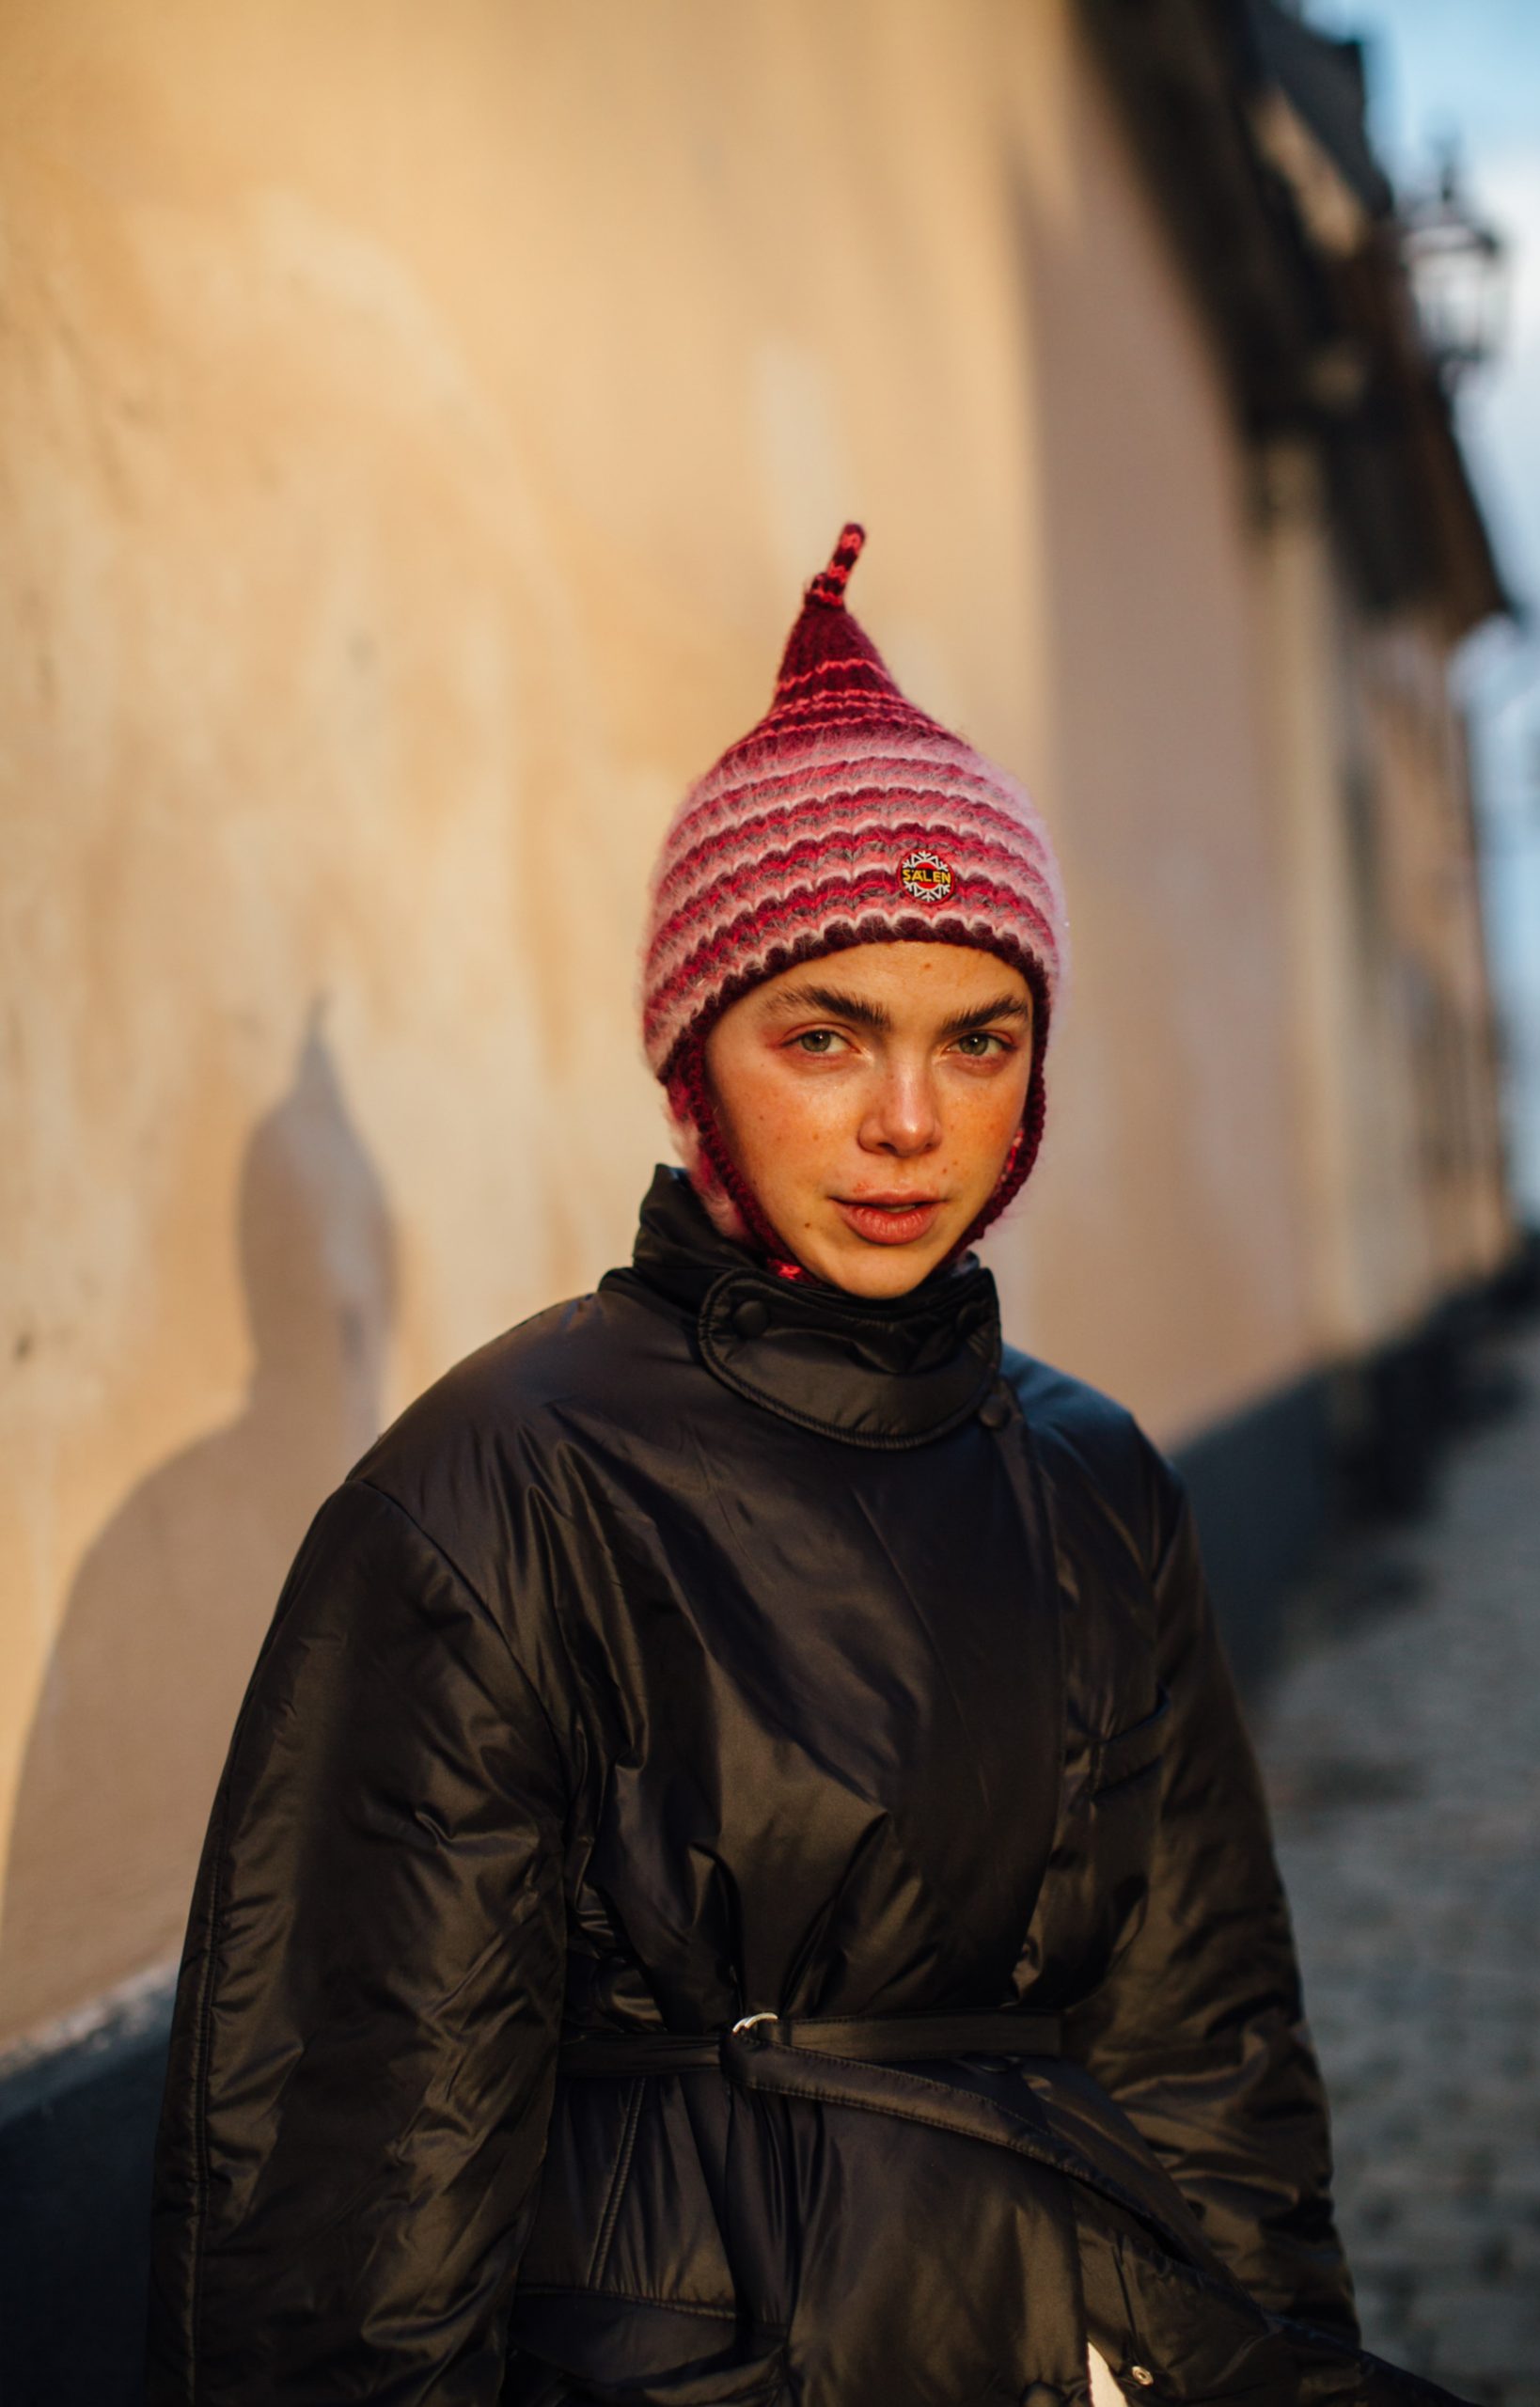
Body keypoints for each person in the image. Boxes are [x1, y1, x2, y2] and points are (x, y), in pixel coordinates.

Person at [149, 528, 1464, 2407]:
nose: (907, 1122)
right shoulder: (496, 1491)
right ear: (697, 1059)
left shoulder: (1092, 1476)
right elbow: (358, 2204)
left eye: (977, 1039)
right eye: (826, 1035)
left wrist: (1279, 2355)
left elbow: (1206, 2051)